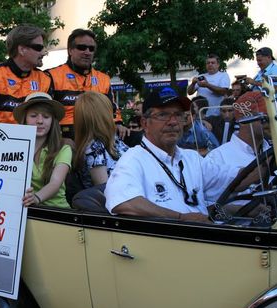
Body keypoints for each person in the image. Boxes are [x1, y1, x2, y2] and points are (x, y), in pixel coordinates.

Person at [105, 86, 247, 222]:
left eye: (178, 115)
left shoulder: (191, 158)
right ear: (145, 123)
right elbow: (123, 202)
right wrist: (181, 218)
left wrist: (264, 165)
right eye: (163, 115)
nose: (173, 122)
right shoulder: (133, 160)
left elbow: (232, 179)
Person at [0, 25, 52, 124]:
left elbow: (49, 118)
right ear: (22, 50)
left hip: (33, 138)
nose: (44, 53)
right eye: (39, 47)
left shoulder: (45, 79)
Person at [46, 29, 117, 139]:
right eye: (81, 47)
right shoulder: (51, 75)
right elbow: (45, 113)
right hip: (64, 138)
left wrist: (119, 124)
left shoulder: (104, 79)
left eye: (91, 49)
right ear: (70, 50)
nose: (87, 52)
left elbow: (113, 112)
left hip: (97, 136)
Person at [14, 92, 72, 208]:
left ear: (53, 121)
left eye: (46, 116)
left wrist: (36, 198)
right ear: (24, 119)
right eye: (33, 116)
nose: (40, 121)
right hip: (22, 211)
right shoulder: (14, 148)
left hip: (57, 213)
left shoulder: (64, 149)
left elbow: (55, 183)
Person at [72, 91, 128, 189]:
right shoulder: (94, 148)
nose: (113, 115)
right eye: (109, 110)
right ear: (102, 115)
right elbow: (105, 190)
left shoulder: (112, 138)